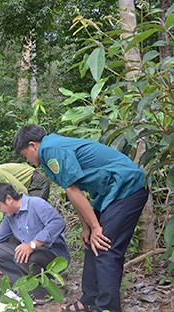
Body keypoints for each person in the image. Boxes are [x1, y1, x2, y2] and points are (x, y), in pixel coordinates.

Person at [13, 125, 149, 312]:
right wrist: (87, 228)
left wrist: (96, 227)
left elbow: (72, 190)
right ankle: (90, 300)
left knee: (104, 246)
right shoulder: (50, 151)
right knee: (91, 244)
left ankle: (107, 308)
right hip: (111, 193)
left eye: (25, 154)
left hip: (128, 187)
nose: (27, 159)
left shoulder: (50, 149)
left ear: (33, 145)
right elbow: (73, 191)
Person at [0, 183, 70, 302]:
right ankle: (27, 286)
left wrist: (32, 244)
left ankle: (44, 293)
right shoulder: (10, 218)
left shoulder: (35, 203)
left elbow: (58, 223)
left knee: (23, 255)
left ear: (9, 199)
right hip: (31, 256)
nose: (0, 211)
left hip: (55, 257)